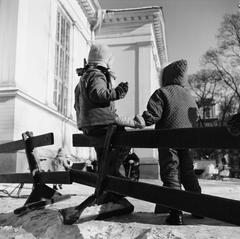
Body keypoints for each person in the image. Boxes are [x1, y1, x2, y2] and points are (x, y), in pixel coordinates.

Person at [135, 59, 202, 225]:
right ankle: (199, 207)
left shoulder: (162, 93)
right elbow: (196, 118)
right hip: (187, 140)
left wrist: (141, 120)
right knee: (188, 172)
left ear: (166, 76)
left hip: (168, 139)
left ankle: (175, 212)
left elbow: (153, 114)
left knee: (171, 171)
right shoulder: (190, 97)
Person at [74, 43, 142, 190]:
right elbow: (98, 94)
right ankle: (112, 174)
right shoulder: (97, 75)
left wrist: (83, 120)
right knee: (124, 140)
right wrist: (117, 92)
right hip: (101, 123)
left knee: (102, 154)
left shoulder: (83, 78)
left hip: (90, 125)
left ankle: (105, 184)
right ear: (105, 60)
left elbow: (77, 104)